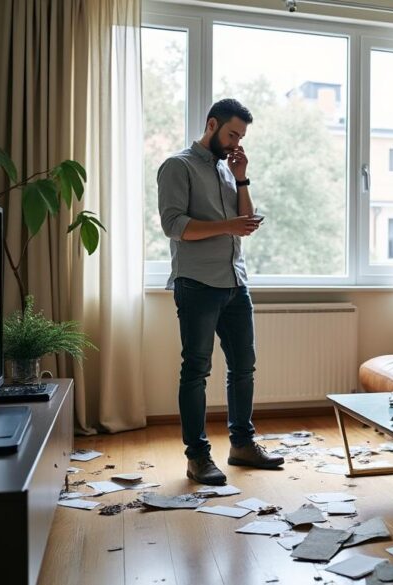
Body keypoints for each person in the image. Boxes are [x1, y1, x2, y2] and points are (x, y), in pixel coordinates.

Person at [157, 98, 284, 486]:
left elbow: (243, 220)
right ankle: (197, 457)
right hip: (197, 283)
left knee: (243, 367)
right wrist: (227, 226)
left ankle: (242, 446)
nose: (235, 143)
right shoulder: (177, 166)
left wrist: (242, 176)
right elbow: (174, 225)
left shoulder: (228, 171)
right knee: (196, 370)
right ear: (211, 124)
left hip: (234, 282)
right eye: (232, 134)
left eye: (241, 137)